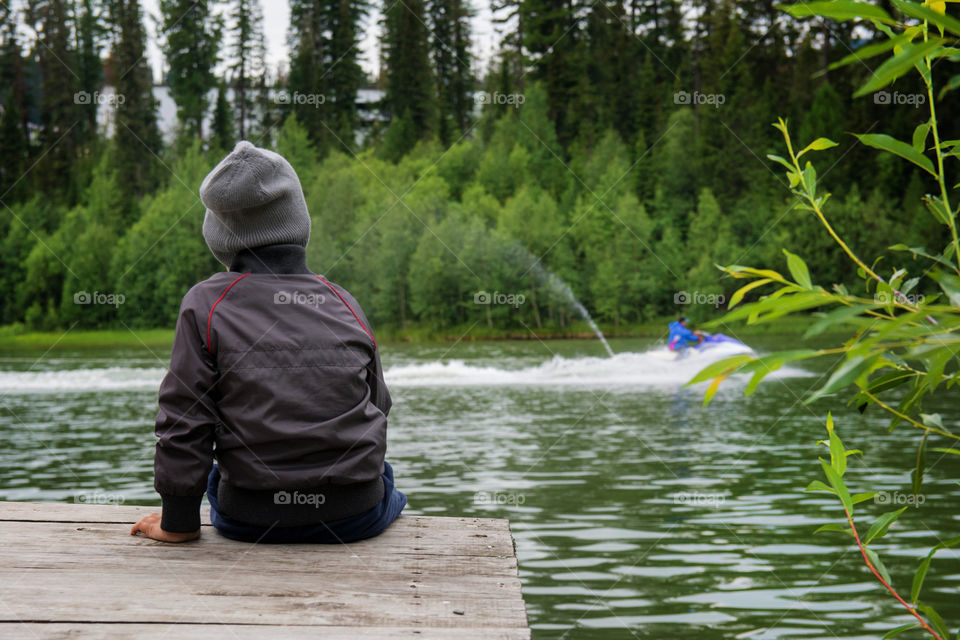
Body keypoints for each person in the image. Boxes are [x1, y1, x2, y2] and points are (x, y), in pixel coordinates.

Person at [131, 141, 405, 544]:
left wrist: (177, 522)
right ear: (298, 221)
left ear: (220, 234)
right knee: (387, 476)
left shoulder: (206, 304)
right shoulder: (345, 302)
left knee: (215, 472)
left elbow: (184, 421)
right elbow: (378, 404)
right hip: (353, 516)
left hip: (252, 519)